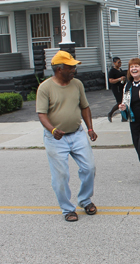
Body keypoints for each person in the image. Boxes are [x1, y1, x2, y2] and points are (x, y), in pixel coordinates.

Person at [36, 50, 98, 222]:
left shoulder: (77, 84)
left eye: (74, 67)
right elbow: (41, 114)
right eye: (70, 67)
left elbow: (84, 107)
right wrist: (53, 130)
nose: (74, 70)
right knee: (61, 175)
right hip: (55, 138)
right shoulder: (45, 87)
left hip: (77, 134)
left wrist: (90, 129)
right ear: (59, 69)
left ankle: (85, 200)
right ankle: (67, 209)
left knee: (89, 168)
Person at [107, 57, 127, 122]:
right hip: (116, 88)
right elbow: (111, 80)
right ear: (114, 63)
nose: (120, 64)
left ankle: (123, 117)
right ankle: (110, 113)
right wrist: (119, 79)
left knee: (123, 101)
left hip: (122, 87)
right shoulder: (112, 71)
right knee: (119, 102)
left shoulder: (120, 70)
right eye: (118, 62)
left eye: (120, 62)